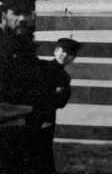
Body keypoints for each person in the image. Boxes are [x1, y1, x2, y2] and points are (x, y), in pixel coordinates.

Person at [0, 0, 58, 174]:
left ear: (34, 17)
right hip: (6, 138)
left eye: (27, 13)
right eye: (16, 13)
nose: (22, 19)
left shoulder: (31, 55)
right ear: (4, 17)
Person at [37, 37, 82, 173]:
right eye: (62, 51)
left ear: (72, 59)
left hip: (47, 118)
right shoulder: (41, 66)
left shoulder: (64, 77)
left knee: (44, 153)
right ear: (56, 51)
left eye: (70, 54)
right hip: (31, 115)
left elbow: (61, 102)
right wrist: (52, 92)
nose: (65, 56)